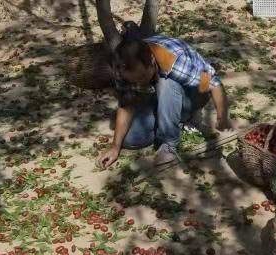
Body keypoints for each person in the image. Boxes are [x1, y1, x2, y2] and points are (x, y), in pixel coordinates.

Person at [97, 24, 232, 168]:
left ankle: (170, 143)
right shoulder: (123, 69)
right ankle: (174, 118)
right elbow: (126, 106)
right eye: (133, 80)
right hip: (162, 95)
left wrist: (221, 117)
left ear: (152, 62)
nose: (139, 83)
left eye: (142, 77)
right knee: (132, 139)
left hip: (195, 92)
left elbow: (214, 84)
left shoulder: (178, 63)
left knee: (165, 83)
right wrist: (115, 147)